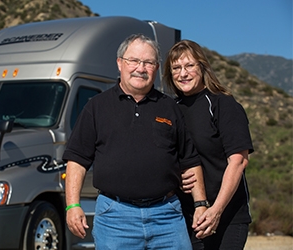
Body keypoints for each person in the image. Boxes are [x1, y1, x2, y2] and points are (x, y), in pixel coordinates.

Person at [63, 34, 211, 249]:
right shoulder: (96, 107)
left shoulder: (170, 108)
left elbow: (189, 160)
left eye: (148, 63)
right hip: (115, 217)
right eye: (133, 60)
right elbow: (77, 159)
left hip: (167, 216)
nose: (140, 68)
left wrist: (200, 204)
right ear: (119, 63)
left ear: (157, 68)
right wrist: (72, 205)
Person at [163, 39, 254, 250]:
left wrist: (216, 210)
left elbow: (238, 162)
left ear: (202, 67)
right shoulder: (171, 109)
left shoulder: (223, 104)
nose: (182, 73)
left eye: (189, 66)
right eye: (176, 68)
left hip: (227, 215)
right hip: (187, 215)